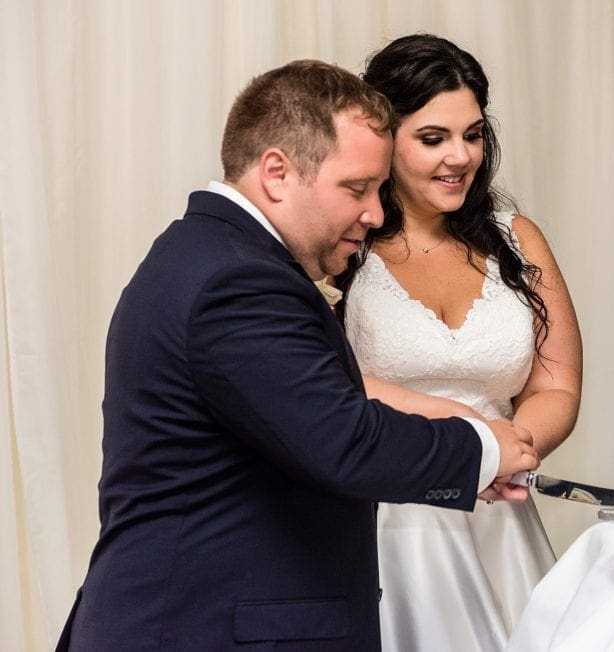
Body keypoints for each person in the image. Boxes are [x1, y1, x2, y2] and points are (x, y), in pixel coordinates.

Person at [56, 60, 539, 651]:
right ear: (278, 173)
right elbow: (343, 441)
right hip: (199, 629)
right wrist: (483, 450)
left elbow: (305, 429)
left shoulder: (207, 253)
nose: (376, 213)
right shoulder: (237, 279)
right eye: (357, 188)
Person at [333, 34, 583, 651]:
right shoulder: (341, 246)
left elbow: (556, 382)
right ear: (385, 139)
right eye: (433, 138)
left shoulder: (516, 238)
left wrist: (509, 452)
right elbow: (324, 382)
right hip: (386, 524)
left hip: (500, 520)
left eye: (472, 134)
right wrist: (468, 443)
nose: (460, 157)